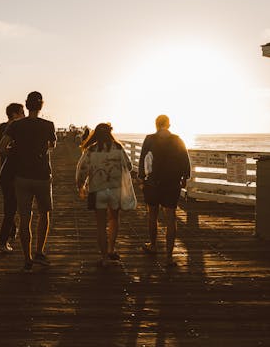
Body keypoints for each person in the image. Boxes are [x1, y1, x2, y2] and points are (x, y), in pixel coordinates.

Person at [0, 91, 56, 273]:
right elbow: (52, 145)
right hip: (42, 176)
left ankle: (27, 258)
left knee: (25, 217)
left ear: (27, 104)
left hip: (21, 176)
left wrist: (15, 154)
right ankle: (39, 251)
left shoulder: (16, 125)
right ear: (41, 105)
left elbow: (1, 147)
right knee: (44, 214)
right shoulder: (48, 125)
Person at [76, 123, 133, 267]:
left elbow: (82, 169)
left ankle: (104, 258)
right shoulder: (118, 148)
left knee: (101, 225)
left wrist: (80, 186)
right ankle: (111, 249)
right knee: (114, 219)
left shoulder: (91, 149)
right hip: (115, 189)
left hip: (97, 190)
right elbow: (129, 165)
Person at [137, 114, 191, 267]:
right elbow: (185, 160)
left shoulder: (149, 139)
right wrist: (185, 178)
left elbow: (142, 159)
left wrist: (141, 177)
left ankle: (153, 246)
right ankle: (168, 257)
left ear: (156, 124)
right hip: (172, 183)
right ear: (169, 124)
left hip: (153, 183)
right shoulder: (177, 139)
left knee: (152, 216)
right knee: (171, 218)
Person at [0, 102, 25, 252]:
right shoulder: (19, 129)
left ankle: (12, 230)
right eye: (22, 112)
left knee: (9, 203)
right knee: (11, 207)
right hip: (15, 171)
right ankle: (2, 241)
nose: (24, 115)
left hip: (1, 172)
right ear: (15, 114)